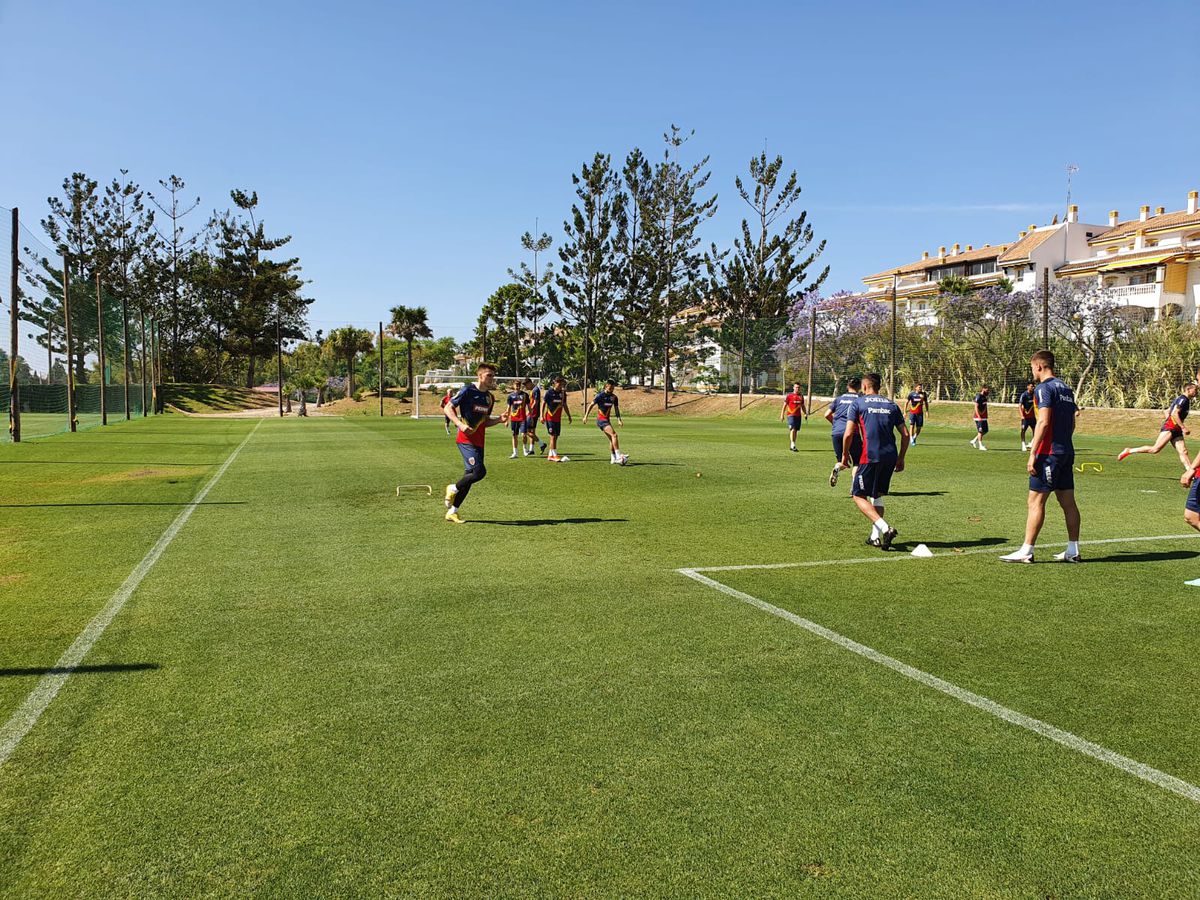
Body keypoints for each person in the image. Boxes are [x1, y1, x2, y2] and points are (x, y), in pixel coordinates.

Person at [1000, 350, 1081, 563]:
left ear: (1039, 366)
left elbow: (1043, 421)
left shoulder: (1043, 388)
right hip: (1066, 451)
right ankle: (1073, 549)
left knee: (1035, 501)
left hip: (1049, 453)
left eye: (1032, 368)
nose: (1032, 372)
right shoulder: (1066, 389)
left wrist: (1033, 452)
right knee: (1068, 502)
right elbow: (1072, 423)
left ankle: (1026, 550)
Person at [841, 372, 908, 550]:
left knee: (858, 495)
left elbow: (848, 434)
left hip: (869, 455)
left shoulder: (858, 403)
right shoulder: (892, 405)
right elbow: (906, 434)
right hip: (890, 456)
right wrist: (901, 458)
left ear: (864, 387)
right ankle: (875, 537)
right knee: (876, 494)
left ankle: (886, 528)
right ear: (879, 387)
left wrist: (845, 455)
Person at [442, 363, 507, 524]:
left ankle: (453, 511)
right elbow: (448, 408)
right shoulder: (467, 390)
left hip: (479, 441)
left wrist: (498, 420)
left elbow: (484, 422)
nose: (492, 378)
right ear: (480, 376)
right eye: (489, 375)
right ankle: (453, 488)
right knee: (479, 473)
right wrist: (459, 424)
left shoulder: (489, 398)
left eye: (493, 375)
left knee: (470, 476)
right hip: (465, 440)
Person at [1117, 382, 1197, 471]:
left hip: (1175, 428)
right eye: (1195, 390)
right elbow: (1174, 413)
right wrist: (1182, 427)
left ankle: (1191, 472)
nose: (1197, 392)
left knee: (1183, 451)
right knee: (1155, 449)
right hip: (1170, 428)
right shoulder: (1183, 399)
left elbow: (1167, 411)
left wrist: (1173, 422)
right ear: (1188, 390)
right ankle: (1129, 450)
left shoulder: (1183, 400)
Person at [825, 376, 862, 487]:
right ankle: (853, 488)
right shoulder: (860, 399)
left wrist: (835, 424)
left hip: (836, 433)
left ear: (847, 386)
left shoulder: (839, 399)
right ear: (859, 387)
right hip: (852, 433)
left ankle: (837, 467)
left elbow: (826, 414)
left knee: (842, 461)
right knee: (857, 462)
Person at [582, 380, 627, 464]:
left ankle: (613, 458)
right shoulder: (600, 396)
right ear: (606, 386)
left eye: (613, 388)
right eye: (610, 388)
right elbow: (591, 405)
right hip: (601, 420)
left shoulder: (614, 397)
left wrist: (619, 420)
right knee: (614, 435)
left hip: (607, 420)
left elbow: (616, 409)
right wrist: (586, 416)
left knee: (611, 438)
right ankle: (618, 456)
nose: (612, 390)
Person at [541, 376, 572, 462]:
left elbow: (564, 405)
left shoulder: (563, 393)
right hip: (549, 418)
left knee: (556, 436)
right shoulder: (549, 392)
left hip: (558, 419)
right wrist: (541, 415)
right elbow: (543, 404)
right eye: (559, 383)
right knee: (552, 436)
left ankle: (550, 455)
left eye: (561, 383)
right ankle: (554, 455)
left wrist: (569, 415)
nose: (560, 385)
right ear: (555, 383)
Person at [522, 377, 548, 457]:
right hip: (533, 413)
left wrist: (528, 412)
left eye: (526, 385)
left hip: (533, 414)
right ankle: (531, 449)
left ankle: (541, 444)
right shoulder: (533, 390)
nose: (526, 387)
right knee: (531, 431)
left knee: (525, 431)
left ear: (530, 383)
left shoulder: (536, 390)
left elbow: (536, 403)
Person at [505, 381, 530, 459]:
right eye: (516, 385)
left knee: (524, 435)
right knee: (514, 435)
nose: (518, 386)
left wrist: (531, 416)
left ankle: (525, 449)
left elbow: (529, 407)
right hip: (514, 419)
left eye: (519, 385)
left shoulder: (525, 395)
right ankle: (515, 453)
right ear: (513, 386)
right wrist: (506, 420)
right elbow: (508, 409)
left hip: (523, 418)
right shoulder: (510, 396)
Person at [780, 383, 807, 452]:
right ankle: (792, 444)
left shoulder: (801, 396)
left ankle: (793, 445)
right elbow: (784, 405)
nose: (797, 389)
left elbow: (802, 406)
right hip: (791, 415)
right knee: (793, 429)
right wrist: (782, 415)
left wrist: (805, 413)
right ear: (793, 388)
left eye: (798, 387)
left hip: (798, 416)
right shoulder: (789, 396)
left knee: (796, 431)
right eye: (796, 387)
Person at [905, 382, 930, 446]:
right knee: (912, 425)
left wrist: (927, 411)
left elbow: (926, 402)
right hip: (912, 413)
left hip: (920, 414)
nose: (920, 388)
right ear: (916, 388)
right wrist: (904, 412)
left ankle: (914, 437)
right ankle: (911, 438)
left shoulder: (924, 394)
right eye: (919, 387)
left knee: (919, 428)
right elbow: (907, 402)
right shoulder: (911, 394)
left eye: (921, 387)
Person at [970, 384, 990, 451]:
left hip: (984, 417)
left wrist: (984, 414)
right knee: (980, 431)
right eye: (987, 390)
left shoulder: (985, 397)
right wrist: (979, 416)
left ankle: (974, 440)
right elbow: (976, 407)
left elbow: (984, 407)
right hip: (978, 418)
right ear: (983, 389)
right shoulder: (978, 396)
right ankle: (980, 446)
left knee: (986, 430)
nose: (988, 391)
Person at [1018, 382, 1037, 451]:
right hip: (1025, 417)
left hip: (1033, 417)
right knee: (1023, 430)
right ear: (1028, 387)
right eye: (1032, 386)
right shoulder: (1024, 395)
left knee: (1036, 431)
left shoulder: (1035, 394)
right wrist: (1022, 415)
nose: (1033, 387)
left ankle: (1032, 443)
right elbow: (1020, 405)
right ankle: (1023, 444)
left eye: (1034, 386)